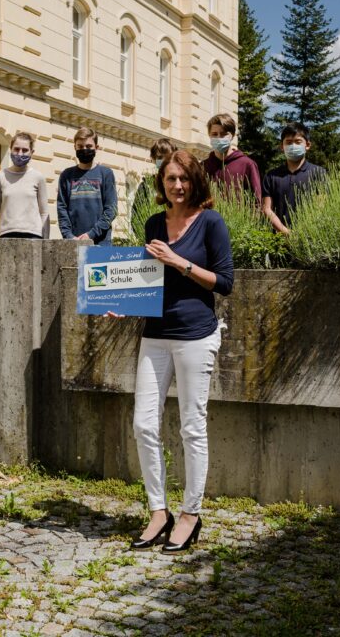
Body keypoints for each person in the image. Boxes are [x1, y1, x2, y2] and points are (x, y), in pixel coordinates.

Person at [125, 150, 233, 553]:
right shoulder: (154, 222)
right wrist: (125, 301)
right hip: (155, 334)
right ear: (162, 183)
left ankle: (191, 513)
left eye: (184, 179)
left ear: (196, 182)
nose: (177, 186)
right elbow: (145, 278)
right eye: (170, 179)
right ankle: (158, 511)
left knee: (192, 427)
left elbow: (224, 283)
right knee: (143, 424)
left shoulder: (211, 222)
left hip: (195, 336)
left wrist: (178, 261)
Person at [262, 122, 326, 235]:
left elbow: (320, 207)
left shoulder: (318, 173)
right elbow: (267, 209)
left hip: (311, 240)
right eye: (288, 142)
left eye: (298, 142)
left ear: (307, 145)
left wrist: (301, 233)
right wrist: (286, 233)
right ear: (282, 146)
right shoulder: (271, 176)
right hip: (278, 242)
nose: (293, 146)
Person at [56, 127, 117, 245]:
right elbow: (61, 208)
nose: (84, 149)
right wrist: (68, 236)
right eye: (80, 146)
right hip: (73, 242)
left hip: (100, 243)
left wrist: (91, 234)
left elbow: (111, 210)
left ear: (96, 148)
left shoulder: (106, 174)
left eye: (88, 146)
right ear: (75, 147)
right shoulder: (66, 175)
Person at [0, 132, 49, 239]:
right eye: (16, 149)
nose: (20, 153)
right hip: (6, 234)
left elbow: (44, 213)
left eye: (25, 150)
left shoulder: (38, 177)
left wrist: (46, 242)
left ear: (32, 152)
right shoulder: (0, 176)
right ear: (11, 149)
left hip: (33, 235)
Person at [202, 113, 261, 206]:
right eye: (214, 134)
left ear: (232, 135)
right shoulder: (202, 166)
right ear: (209, 135)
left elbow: (256, 203)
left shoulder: (247, 165)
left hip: (237, 219)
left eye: (223, 134)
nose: (218, 138)